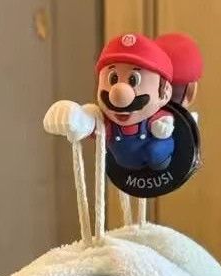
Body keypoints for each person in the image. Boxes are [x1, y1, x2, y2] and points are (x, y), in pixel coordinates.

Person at [44, 33, 176, 172]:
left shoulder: (152, 119)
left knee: (156, 151)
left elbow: (163, 121)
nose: (117, 93)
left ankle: (161, 158)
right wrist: (77, 117)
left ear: (165, 92)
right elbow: (94, 125)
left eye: (133, 80)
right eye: (113, 79)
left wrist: (162, 126)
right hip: (121, 167)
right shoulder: (107, 123)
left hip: (154, 166)